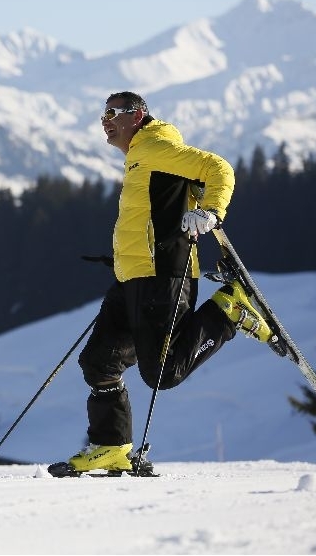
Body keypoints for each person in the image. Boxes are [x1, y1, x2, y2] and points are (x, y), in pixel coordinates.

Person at [64, 91, 271, 475]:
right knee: (99, 361)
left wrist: (211, 211)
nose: (104, 120)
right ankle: (111, 448)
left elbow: (219, 168)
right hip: (132, 276)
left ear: (137, 114)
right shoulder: (139, 157)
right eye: (102, 113)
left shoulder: (157, 146)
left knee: (164, 372)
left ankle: (228, 311)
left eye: (113, 112)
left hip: (162, 274)